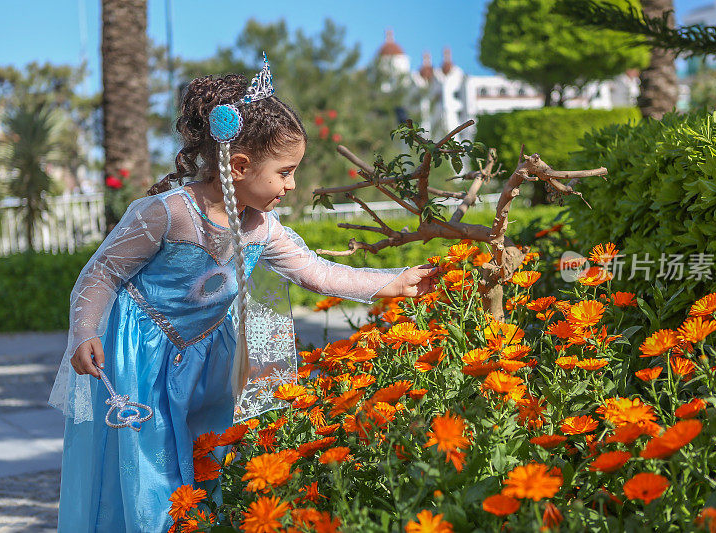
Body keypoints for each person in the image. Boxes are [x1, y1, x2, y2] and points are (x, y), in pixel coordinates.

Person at [49, 55, 437, 532]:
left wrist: (392, 282)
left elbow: (314, 271)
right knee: (150, 465)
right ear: (239, 165)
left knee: (208, 456)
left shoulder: (262, 229)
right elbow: (102, 272)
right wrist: (87, 329)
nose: (292, 185)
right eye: (285, 172)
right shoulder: (165, 214)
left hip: (208, 356)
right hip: (142, 356)